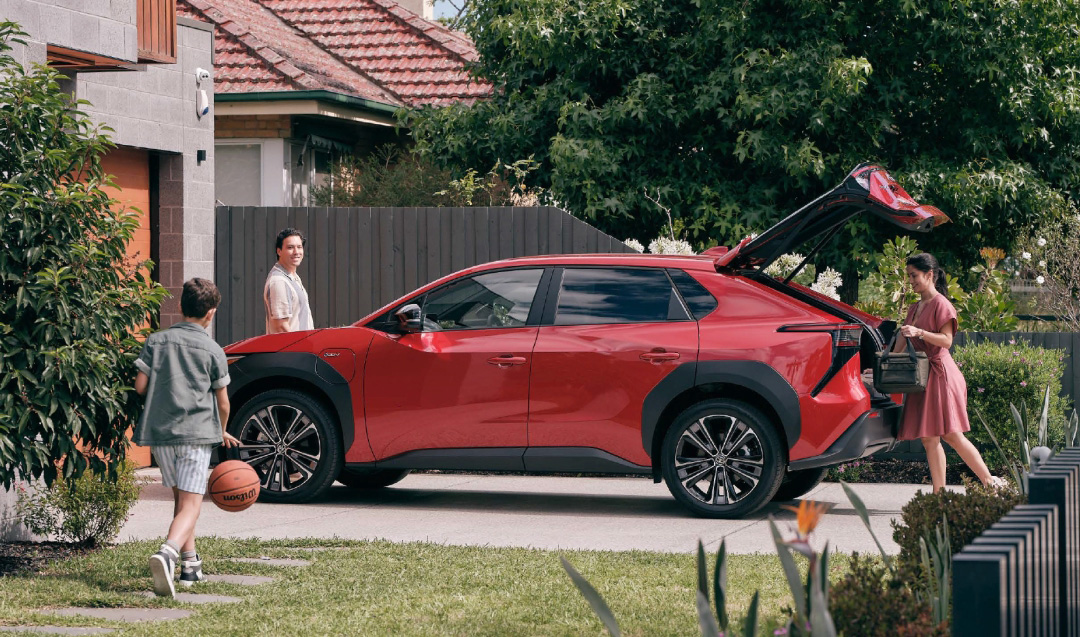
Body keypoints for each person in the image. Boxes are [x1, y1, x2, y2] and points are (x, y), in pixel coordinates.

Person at [134, 278, 239, 597]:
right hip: (195, 434)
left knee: (182, 500)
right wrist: (221, 429)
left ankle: (190, 565)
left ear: (180, 307)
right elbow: (223, 401)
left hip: (162, 435)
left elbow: (140, 387)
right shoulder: (213, 349)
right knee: (193, 505)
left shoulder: (156, 340)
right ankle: (167, 553)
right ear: (211, 313)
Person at [893, 253, 1004, 493]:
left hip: (941, 375)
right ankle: (939, 494)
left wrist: (919, 332)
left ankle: (990, 482)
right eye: (909, 276)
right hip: (923, 376)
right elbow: (903, 336)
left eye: (914, 276)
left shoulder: (942, 304)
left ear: (929, 275)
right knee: (929, 439)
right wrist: (885, 361)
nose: (910, 281)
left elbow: (946, 341)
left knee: (952, 435)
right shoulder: (915, 306)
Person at [264, 227, 313, 334]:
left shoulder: (292, 277)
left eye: (299, 247)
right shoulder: (279, 281)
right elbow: (281, 326)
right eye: (290, 247)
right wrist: (300, 347)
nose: (296, 252)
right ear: (279, 251)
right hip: (292, 350)